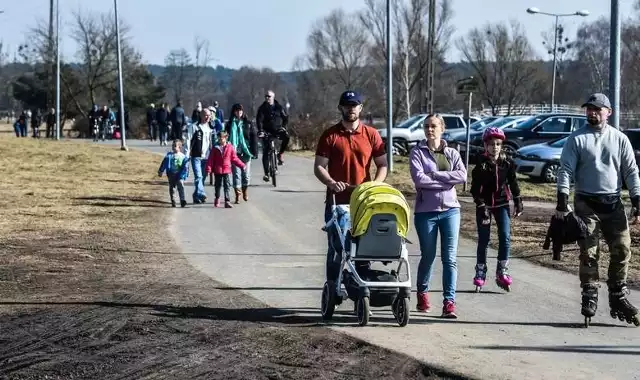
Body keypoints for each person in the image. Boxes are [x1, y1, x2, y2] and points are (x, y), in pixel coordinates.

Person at [556, 93, 640, 325]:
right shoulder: (577, 139)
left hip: (613, 203)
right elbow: (565, 170)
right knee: (589, 252)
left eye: (597, 109)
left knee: (622, 249)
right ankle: (590, 292)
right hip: (586, 202)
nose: (592, 113)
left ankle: (617, 294)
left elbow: (631, 171)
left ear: (608, 112)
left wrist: (636, 199)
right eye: (589, 109)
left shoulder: (620, 139)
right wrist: (562, 198)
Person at [313, 90, 387, 286]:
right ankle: (332, 288)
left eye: (354, 105)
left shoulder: (371, 135)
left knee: (363, 248)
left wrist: (376, 184)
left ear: (360, 108)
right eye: (346, 105)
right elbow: (319, 166)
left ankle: (361, 288)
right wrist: (331, 182)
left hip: (364, 201)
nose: (350, 109)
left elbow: (383, 165)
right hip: (337, 201)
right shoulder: (330, 136)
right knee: (337, 248)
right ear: (340, 108)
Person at [409, 114, 467, 318]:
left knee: (450, 258)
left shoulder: (452, 152)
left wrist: (435, 175)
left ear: (442, 128)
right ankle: (422, 292)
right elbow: (419, 180)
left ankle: (449, 302)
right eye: (426, 126)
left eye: (433, 126)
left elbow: (462, 175)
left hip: (451, 210)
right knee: (429, 256)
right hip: (426, 212)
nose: (429, 129)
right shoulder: (417, 152)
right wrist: (446, 181)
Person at [470, 127, 523, 292]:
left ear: (502, 145)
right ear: (485, 145)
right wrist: (481, 205)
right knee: (484, 240)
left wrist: (518, 200)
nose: (495, 147)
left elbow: (513, 183)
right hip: (484, 205)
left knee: (505, 237)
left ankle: (502, 270)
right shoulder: (480, 165)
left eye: (498, 144)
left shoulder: (507, 163)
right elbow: (474, 190)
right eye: (491, 144)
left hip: (502, 204)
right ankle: (480, 271)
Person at [225, 103, 258, 203]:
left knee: (246, 175)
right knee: (236, 175)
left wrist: (254, 151)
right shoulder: (230, 124)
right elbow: (224, 138)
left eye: (240, 110)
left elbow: (254, 138)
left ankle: (245, 191)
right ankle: (237, 195)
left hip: (246, 152)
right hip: (235, 153)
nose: (239, 112)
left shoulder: (248, 123)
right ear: (233, 112)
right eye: (236, 110)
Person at [205, 131, 246, 208]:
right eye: (219, 138)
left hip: (226, 170)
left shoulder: (230, 147)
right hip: (217, 170)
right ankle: (217, 198)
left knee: (227, 186)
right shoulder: (215, 148)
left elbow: (234, 158)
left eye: (222, 138)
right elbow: (210, 159)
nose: (220, 140)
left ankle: (227, 201)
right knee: (217, 186)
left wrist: (242, 165)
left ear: (226, 138)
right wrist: (208, 169)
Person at [256, 90, 289, 181]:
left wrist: (283, 127)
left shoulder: (279, 107)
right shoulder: (262, 108)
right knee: (266, 152)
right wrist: (261, 131)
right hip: (266, 132)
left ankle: (280, 154)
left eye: (269, 96)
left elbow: (285, 118)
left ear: (273, 97)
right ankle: (266, 173)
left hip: (278, 130)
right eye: (266, 96)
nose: (267, 98)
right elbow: (259, 121)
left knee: (287, 137)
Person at [185, 107, 214, 204]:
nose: (207, 117)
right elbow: (188, 140)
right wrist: (187, 154)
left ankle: (196, 196)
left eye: (209, 116)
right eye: (205, 115)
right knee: (198, 177)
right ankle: (201, 193)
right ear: (201, 115)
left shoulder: (210, 128)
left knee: (203, 177)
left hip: (207, 157)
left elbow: (212, 142)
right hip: (196, 156)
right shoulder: (194, 127)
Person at [158, 139, 189, 208]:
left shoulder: (183, 157)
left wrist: (185, 175)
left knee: (181, 187)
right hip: (171, 174)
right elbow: (164, 164)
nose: (173, 147)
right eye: (173, 145)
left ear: (180, 147)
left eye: (175, 146)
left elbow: (186, 167)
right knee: (172, 188)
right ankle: (173, 200)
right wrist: (161, 171)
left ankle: (182, 200)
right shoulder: (169, 156)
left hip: (179, 175)